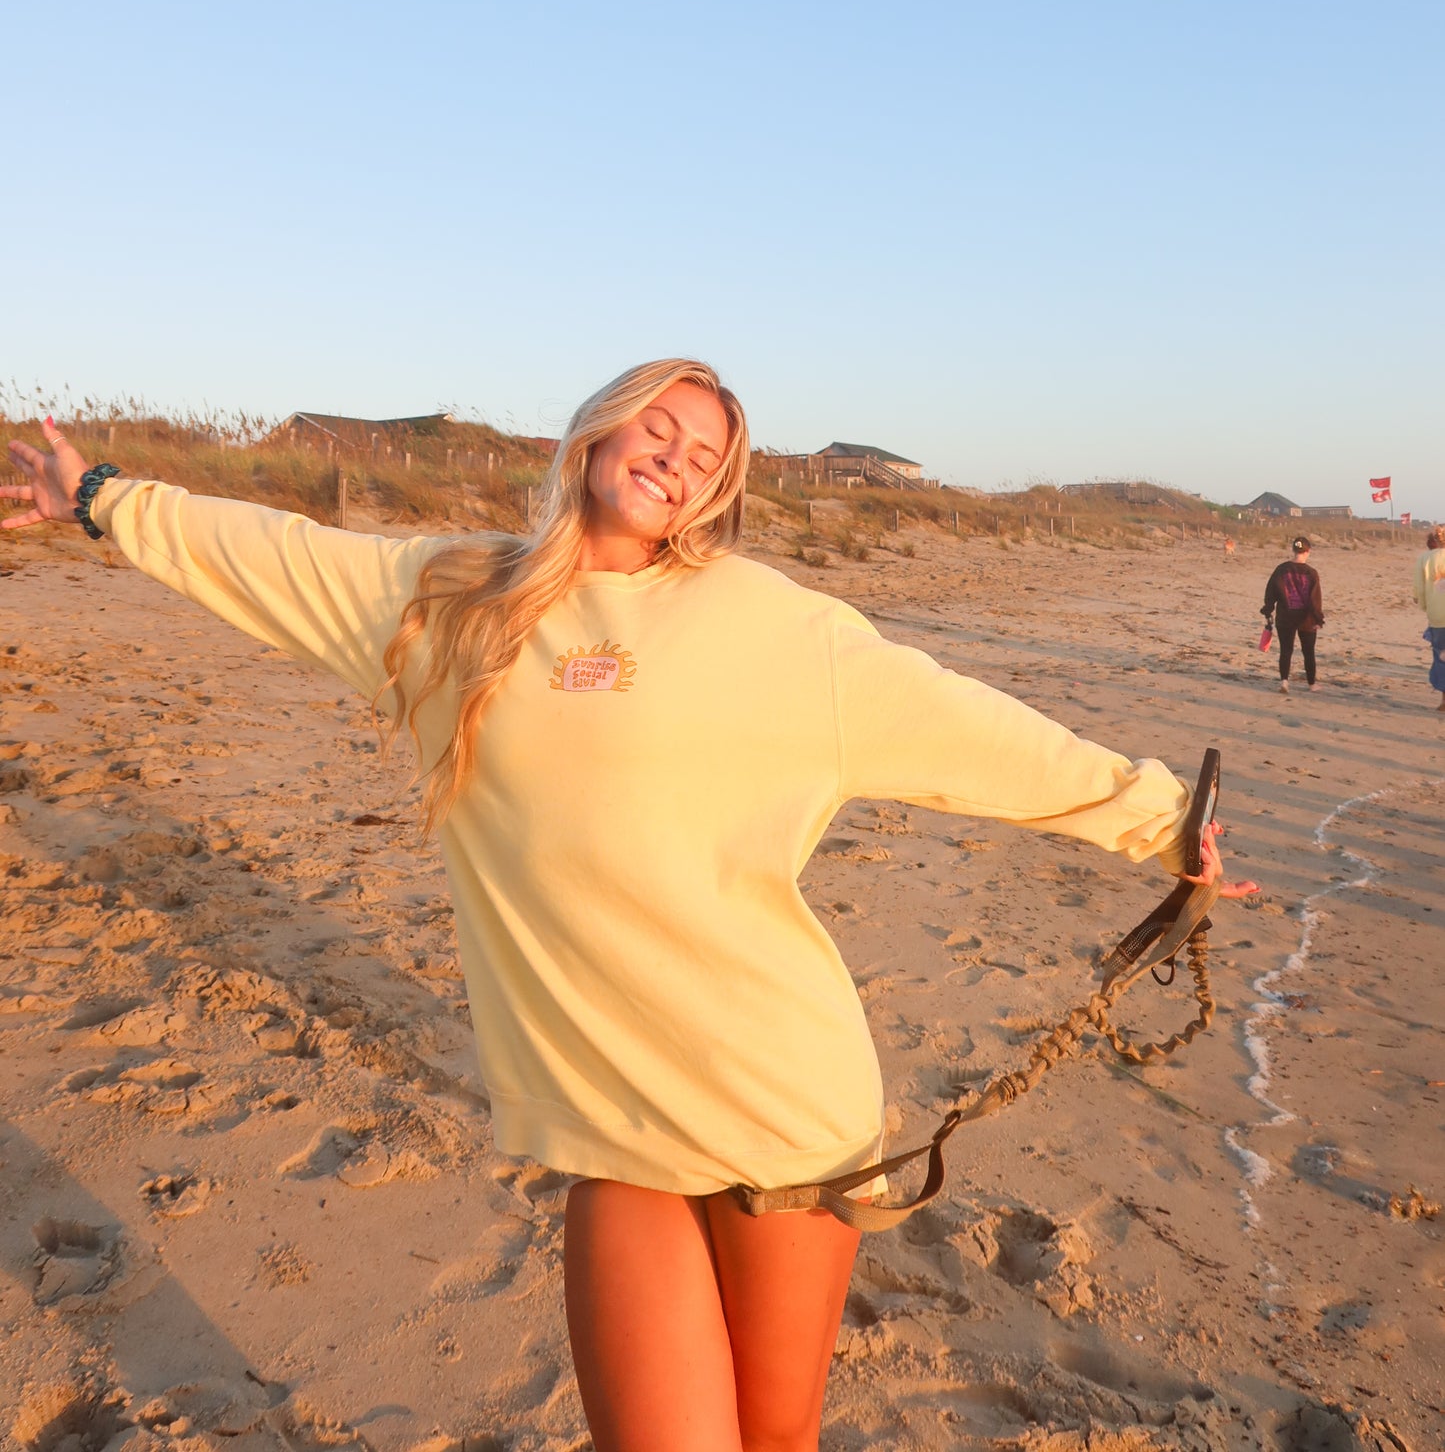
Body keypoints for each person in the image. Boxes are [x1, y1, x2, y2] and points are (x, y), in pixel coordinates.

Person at [3, 360, 1251, 1452]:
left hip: (786, 1106)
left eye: (706, 454)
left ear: (716, 492)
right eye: (660, 425)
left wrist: (1161, 819)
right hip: (612, 1119)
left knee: (776, 1434)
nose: (676, 455)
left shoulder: (776, 628)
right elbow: (275, 553)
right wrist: (109, 498)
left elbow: (968, 729)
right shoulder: (450, 604)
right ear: (596, 431)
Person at [1262, 535, 1325, 694]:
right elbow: (1315, 599)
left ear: (1293, 550)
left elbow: (1271, 592)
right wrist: (1318, 618)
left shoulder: (1281, 569)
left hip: (1285, 617)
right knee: (1308, 652)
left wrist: (1268, 609)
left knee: (1286, 650)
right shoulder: (1312, 573)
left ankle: (1284, 682)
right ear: (1308, 551)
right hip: (1307, 619)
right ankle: (1311, 684)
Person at [1411, 527, 1445, 713]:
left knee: (1442, 656)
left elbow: (1419, 590)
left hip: (1438, 616)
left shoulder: (1424, 559)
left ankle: (1444, 700)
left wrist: (1425, 605)